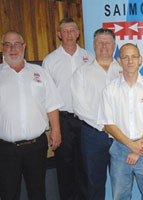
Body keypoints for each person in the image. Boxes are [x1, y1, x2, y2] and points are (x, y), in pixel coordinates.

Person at [0, 30, 63, 200]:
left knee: (37, 192)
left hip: (36, 146)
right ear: (3, 48)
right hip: (6, 149)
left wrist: (56, 131)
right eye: (8, 44)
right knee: (8, 194)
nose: (13, 48)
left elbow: (52, 103)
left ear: (24, 47)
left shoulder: (40, 72)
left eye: (17, 44)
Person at [97, 43, 143, 199]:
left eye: (134, 57)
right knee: (120, 195)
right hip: (120, 150)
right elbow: (108, 124)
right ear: (119, 60)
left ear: (140, 59)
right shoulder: (110, 90)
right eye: (125, 57)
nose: (130, 61)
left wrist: (138, 147)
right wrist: (131, 145)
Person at [42, 17, 94, 199]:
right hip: (63, 120)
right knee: (65, 168)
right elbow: (48, 96)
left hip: (87, 120)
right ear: (59, 34)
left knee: (86, 167)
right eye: (65, 31)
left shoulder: (89, 57)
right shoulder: (50, 61)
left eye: (73, 30)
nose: (70, 34)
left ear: (78, 33)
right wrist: (54, 128)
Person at [71, 28, 122, 200]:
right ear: (94, 45)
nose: (104, 46)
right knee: (94, 183)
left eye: (108, 42)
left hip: (120, 135)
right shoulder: (82, 72)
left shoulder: (124, 71)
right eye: (100, 42)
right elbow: (80, 107)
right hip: (93, 135)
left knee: (121, 183)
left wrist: (116, 129)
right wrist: (105, 126)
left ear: (114, 46)